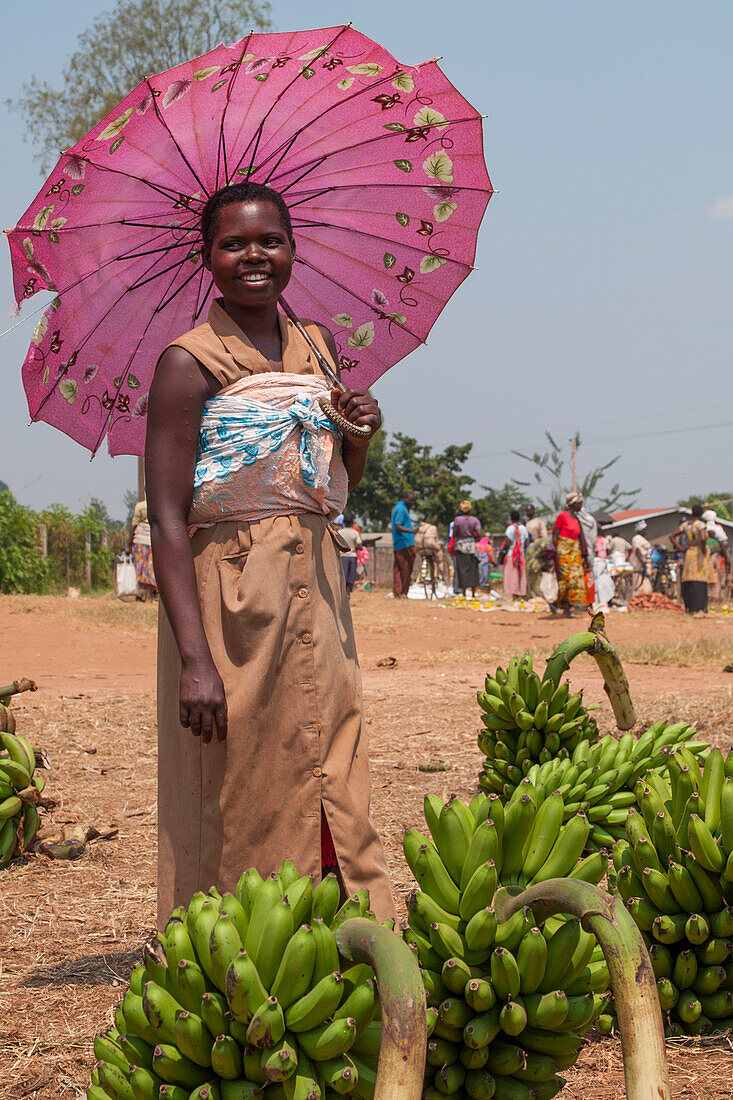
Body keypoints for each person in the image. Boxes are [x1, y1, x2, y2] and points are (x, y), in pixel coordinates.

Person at [146, 181, 394, 924]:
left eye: (269, 241)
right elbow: (165, 515)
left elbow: (334, 486)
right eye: (234, 243)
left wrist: (359, 431)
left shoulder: (314, 347)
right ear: (207, 257)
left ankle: (340, 928)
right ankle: (233, 939)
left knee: (329, 750)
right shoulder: (187, 363)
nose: (254, 256)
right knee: (240, 767)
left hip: (315, 582)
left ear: (293, 249)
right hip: (231, 592)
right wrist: (195, 658)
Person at [552, 492, 594, 615]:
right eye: (579, 503)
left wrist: (585, 557)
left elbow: (581, 539)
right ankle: (560, 604)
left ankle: (568, 606)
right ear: (572, 504)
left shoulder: (576, 519)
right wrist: (553, 554)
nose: (581, 506)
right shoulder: (562, 516)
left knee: (576, 579)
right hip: (564, 553)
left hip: (575, 553)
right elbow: (555, 535)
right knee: (567, 580)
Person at [670, 505, 715, 614]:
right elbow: (703, 538)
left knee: (688, 579)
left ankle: (689, 607)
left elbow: (672, 536)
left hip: (689, 553)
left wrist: (682, 549)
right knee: (700, 578)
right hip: (699, 554)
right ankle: (700, 607)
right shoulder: (700, 525)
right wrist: (703, 548)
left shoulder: (686, 525)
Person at [128, 498, 156, 602]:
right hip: (152, 540)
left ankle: (139, 594)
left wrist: (128, 543)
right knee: (150, 569)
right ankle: (149, 596)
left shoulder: (140, 506)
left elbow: (134, 524)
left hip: (140, 540)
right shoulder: (157, 504)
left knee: (139, 568)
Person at [452, 500, 482, 597]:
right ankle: (473, 593)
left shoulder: (457, 520)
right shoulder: (475, 520)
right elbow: (479, 533)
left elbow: (454, 533)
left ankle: (464, 593)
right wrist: (474, 538)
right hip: (472, 546)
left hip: (461, 546)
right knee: (473, 569)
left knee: (462, 569)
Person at [391, 491, 415, 598]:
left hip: (399, 544)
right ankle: (403, 592)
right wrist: (412, 532)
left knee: (398, 569)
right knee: (406, 569)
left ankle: (398, 592)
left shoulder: (399, 508)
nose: (412, 503)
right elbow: (398, 525)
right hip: (404, 543)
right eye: (411, 500)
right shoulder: (401, 509)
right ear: (405, 498)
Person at [501, 509, 529, 599]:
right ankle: (521, 592)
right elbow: (526, 542)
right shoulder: (523, 528)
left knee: (512, 575)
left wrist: (504, 549)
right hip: (521, 555)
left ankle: (514, 594)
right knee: (520, 574)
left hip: (511, 555)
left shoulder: (510, 528)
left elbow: (507, 541)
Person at [702, 509, 729, 601]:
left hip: (705, 556)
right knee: (715, 575)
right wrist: (727, 558)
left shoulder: (702, 527)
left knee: (706, 574)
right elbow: (723, 543)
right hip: (713, 557)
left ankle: (708, 596)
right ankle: (714, 596)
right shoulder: (717, 528)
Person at [339, 513, 362, 597]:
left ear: (344, 522)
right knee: (351, 575)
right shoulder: (355, 533)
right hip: (352, 556)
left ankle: (344, 593)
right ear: (352, 522)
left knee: (343, 575)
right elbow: (359, 545)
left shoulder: (340, 532)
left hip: (342, 556)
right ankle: (348, 592)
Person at [630, 520, 653, 595]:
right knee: (640, 582)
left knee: (646, 582)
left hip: (645, 563)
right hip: (640, 565)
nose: (646, 531)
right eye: (645, 529)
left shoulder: (641, 538)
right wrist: (642, 563)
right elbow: (638, 551)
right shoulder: (637, 538)